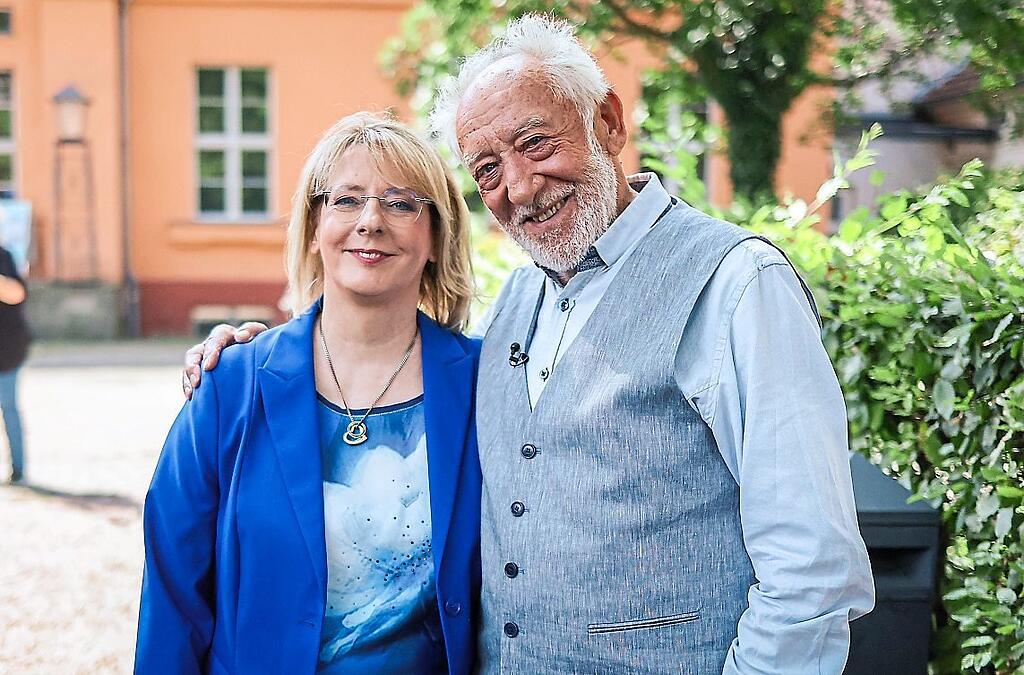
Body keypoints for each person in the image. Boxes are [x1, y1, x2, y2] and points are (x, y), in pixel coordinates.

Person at [187, 16, 874, 674]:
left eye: (536, 143)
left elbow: (811, 567)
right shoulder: (514, 305)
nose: (518, 187)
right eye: (487, 169)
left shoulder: (738, 284)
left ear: (609, 122)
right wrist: (263, 357)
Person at [138, 112, 482, 674]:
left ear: (436, 238)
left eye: (401, 204)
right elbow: (173, 595)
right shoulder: (230, 386)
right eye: (346, 200)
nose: (370, 221)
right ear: (314, 228)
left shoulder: (486, 384)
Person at [0, 243, 29, 484]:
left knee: (9, 408)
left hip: (7, 350)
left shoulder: (4, 256)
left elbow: (17, 293)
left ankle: (18, 470)